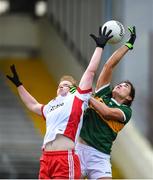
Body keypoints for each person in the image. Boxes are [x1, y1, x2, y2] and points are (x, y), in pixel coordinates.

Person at [6, 26, 113, 179]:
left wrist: (99, 47)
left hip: (65, 158)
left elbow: (90, 71)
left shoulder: (78, 98)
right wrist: (19, 85)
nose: (62, 86)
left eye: (66, 85)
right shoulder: (51, 106)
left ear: (74, 88)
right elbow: (33, 105)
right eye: (60, 85)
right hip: (46, 159)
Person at [75, 26, 136, 179]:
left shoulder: (125, 111)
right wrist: (128, 45)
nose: (120, 84)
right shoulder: (103, 94)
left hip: (100, 157)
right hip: (79, 149)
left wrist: (86, 96)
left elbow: (107, 112)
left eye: (126, 86)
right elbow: (109, 65)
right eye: (120, 83)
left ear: (129, 98)